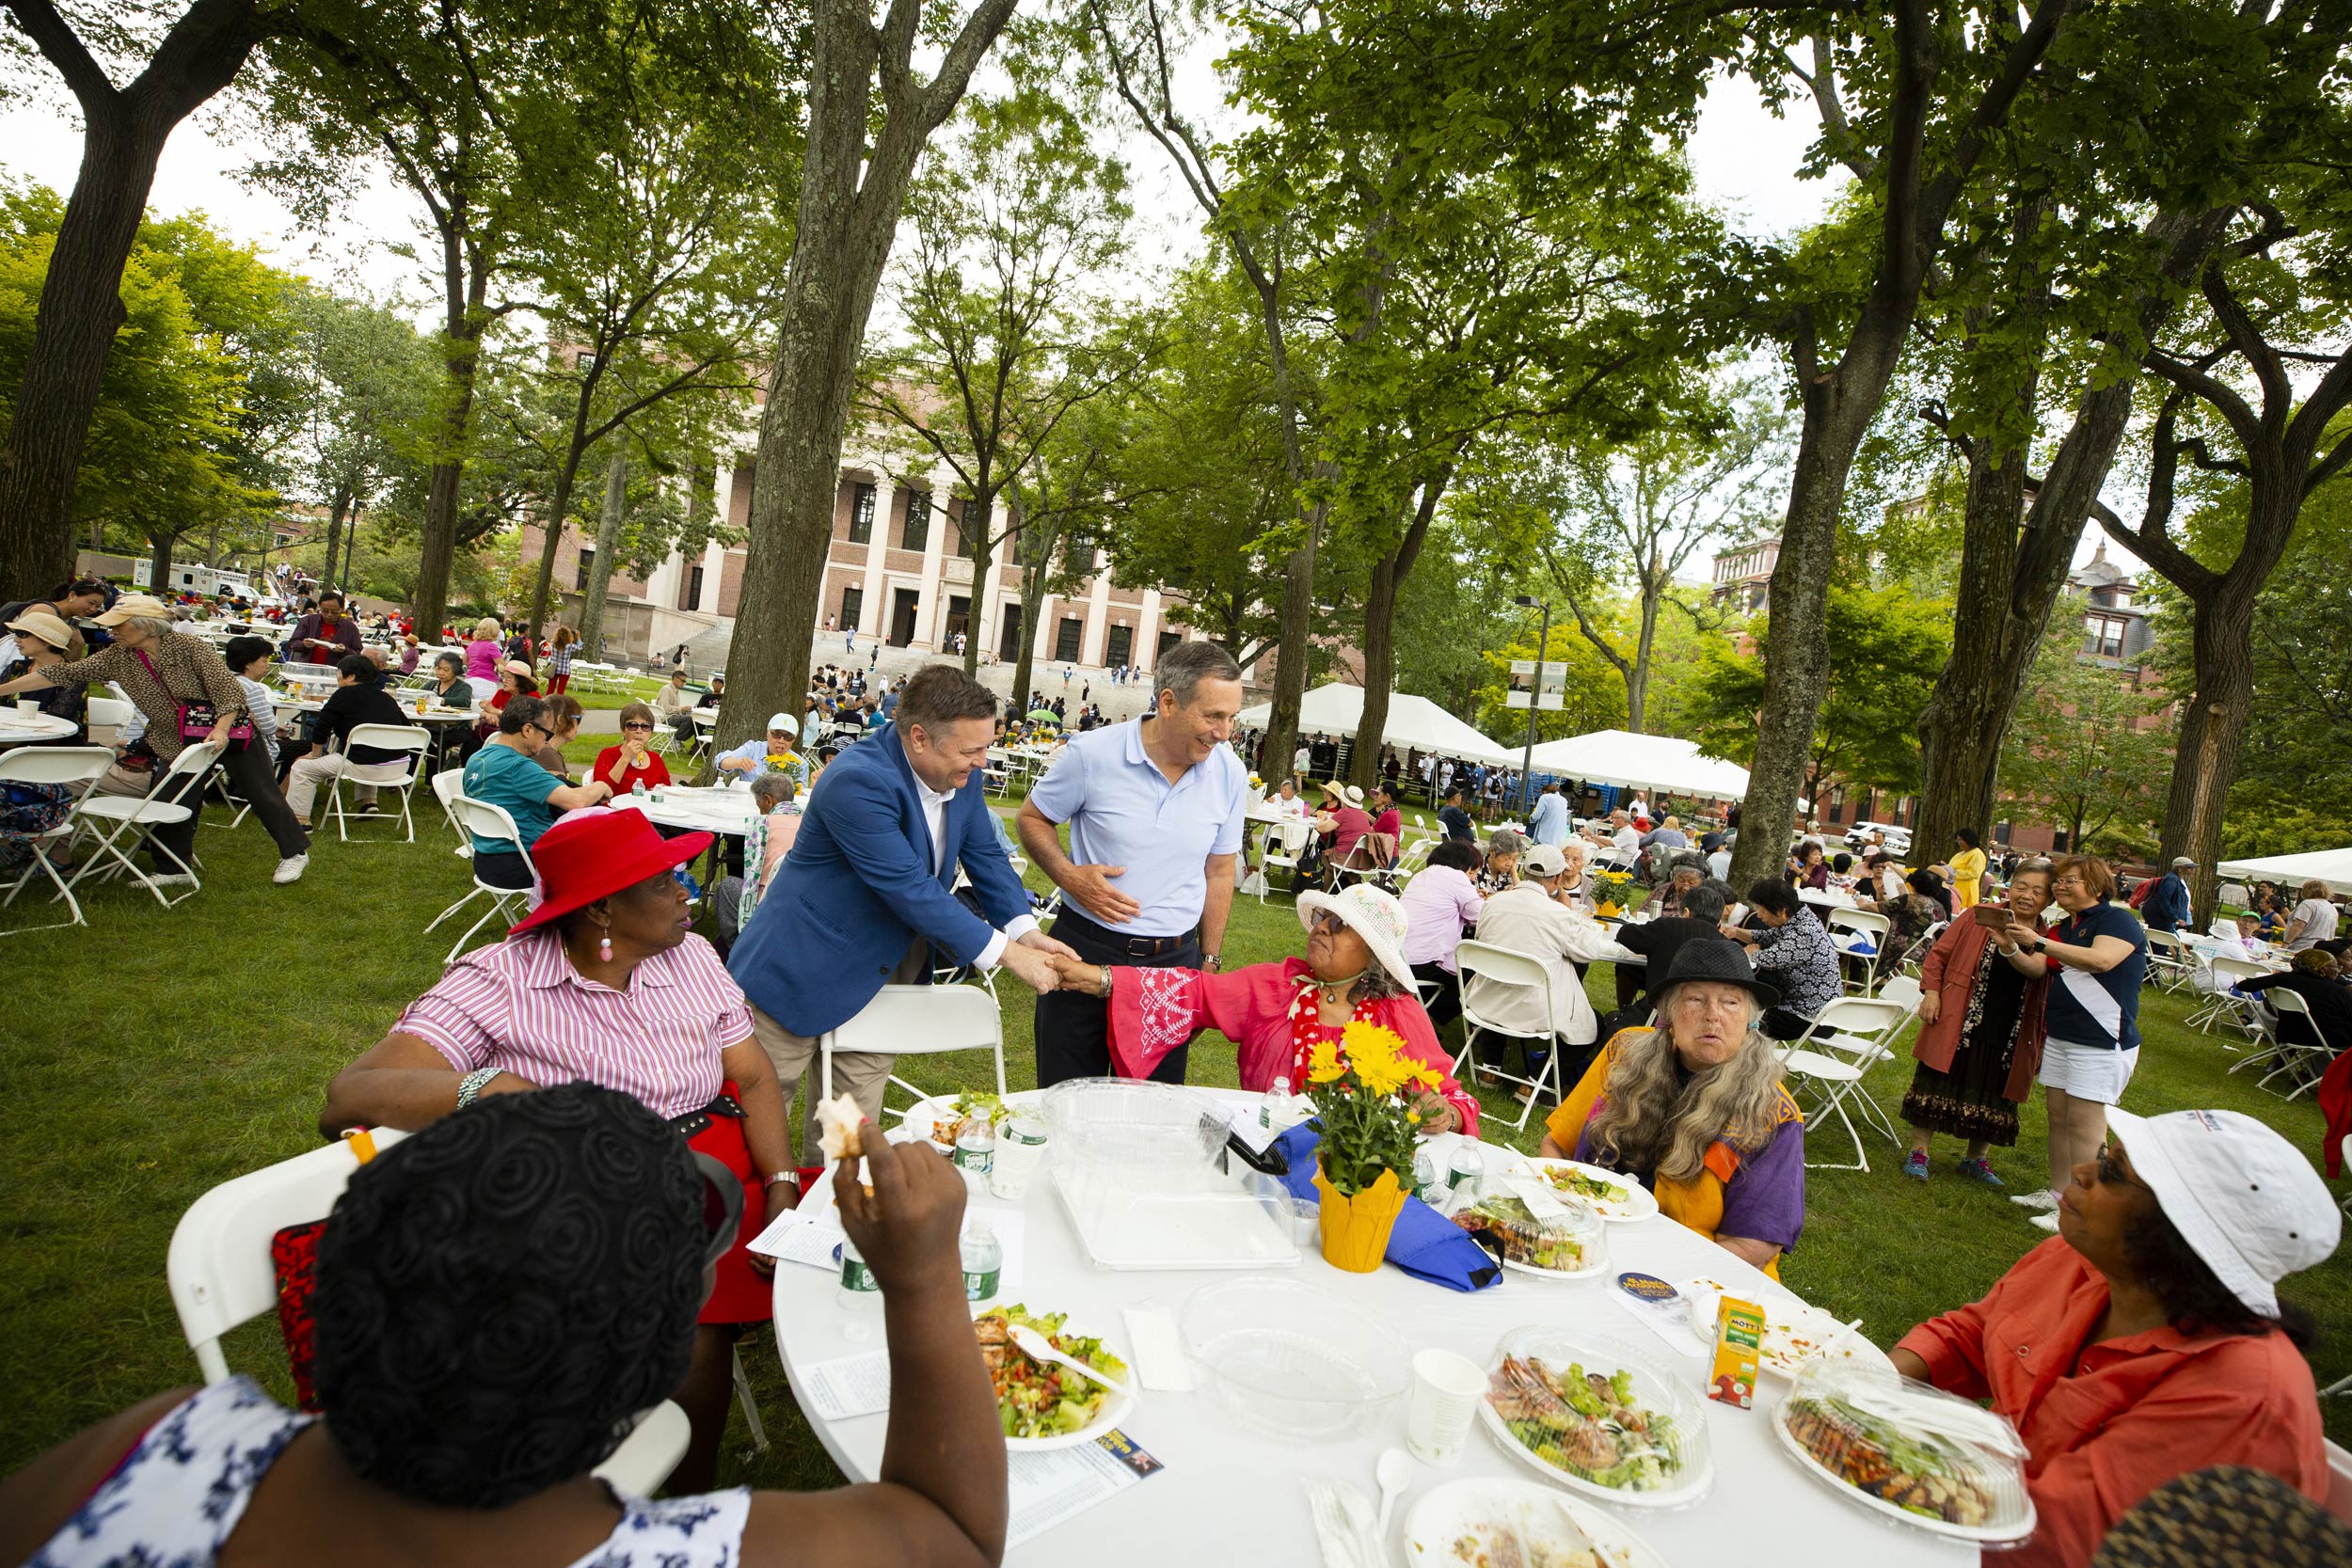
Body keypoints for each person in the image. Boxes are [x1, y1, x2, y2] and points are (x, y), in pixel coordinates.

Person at [0, 1082, 1011, 1566]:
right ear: (654, 1367)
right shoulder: (693, 1554)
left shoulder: (155, 1443)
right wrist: (922, 1276)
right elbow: (953, 1534)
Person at [318, 810, 801, 1492]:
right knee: (686, 1321)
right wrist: (494, 1089)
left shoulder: (691, 956)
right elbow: (350, 1094)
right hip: (590, 1187)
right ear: (603, 907)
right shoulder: (501, 979)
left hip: (715, 1170)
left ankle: (690, 1487)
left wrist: (781, 1182)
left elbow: (751, 1076)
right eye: (665, 882)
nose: (687, 890)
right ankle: (668, 1504)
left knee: (812, 1262)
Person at [1891, 1108, 2336, 1568]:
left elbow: (2057, 1542)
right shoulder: (2083, 1260)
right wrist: (1868, 1384)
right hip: (1969, 1514)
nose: (2081, 1172)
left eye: (2111, 1173)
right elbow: (1973, 1336)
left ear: (2178, 1234)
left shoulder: (2239, 1394)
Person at [733, 664, 1074, 1165]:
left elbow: (984, 856)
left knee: (846, 1130)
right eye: (970, 750)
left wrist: (1025, 930)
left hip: (882, 978)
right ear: (919, 737)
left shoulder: (962, 775)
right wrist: (1005, 954)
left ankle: (831, 1212)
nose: (983, 762)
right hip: (798, 971)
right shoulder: (857, 780)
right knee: (756, 1115)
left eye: (986, 747)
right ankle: (737, 1225)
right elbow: (907, 887)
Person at [1049, 882, 1479, 1133]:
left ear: (1374, 955)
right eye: (1325, 918)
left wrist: (1450, 1115)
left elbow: (1444, 1089)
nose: (1323, 927)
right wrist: (1098, 978)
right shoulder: (1278, 986)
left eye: (1342, 926)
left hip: (1357, 1166)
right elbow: (1191, 992)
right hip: (1262, 1148)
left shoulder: (1396, 1011)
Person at [1020, 642, 1247, 1086]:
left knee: (1150, 1116)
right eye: (1214, 716)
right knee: (1067, 1102)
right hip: (1082, 948)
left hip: (1171, 966)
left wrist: (1210, 962)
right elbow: (1032, 819)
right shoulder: (1092, 754)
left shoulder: (1230, 773)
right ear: (1168, 702)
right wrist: (1068, 876)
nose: (1225, 732)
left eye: (1232, 718)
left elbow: (1219, 872)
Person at [0, 594, 312, 886]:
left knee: (260, 790)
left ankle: (294, 852)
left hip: (230, 728)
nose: (111, 632)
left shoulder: (192, 647)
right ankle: (173, 868)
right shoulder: (117, 657)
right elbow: (62, 673)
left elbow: (228, 692)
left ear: (146, 626)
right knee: (171, 796)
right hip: (173, 736)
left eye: (118, 626)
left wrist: (220, 729)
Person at [1539, 939, 1806, 1275]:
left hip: (1694, 1278)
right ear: (1669, 1013)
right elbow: (1556, 1146)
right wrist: (1563, 1218)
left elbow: (1752, 1245)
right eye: (1695, 999)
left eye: (1731, 1003)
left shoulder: (1773, 1112)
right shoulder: (1623, 1054)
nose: (1713, 1015)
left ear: (1750, 1021)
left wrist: (1649, 1269)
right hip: (1583, 1242)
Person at [2010, 855, 2151, 1232]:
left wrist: (2039, 942)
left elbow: (2102, 960)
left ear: (2097, 885)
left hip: (2102, 1039)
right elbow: (2040, 968)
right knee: (2059, 1117)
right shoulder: (2064, 927)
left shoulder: (2117, 920)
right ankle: (2059, 1194)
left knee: (2086, 1126)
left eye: (2070, 880)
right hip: (2062, 1034)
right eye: (2059, 881)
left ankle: (2083, 1209)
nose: (2060, 886)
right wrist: (2010, 946)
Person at [1900, 859, 2057, 1185]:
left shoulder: (2047, 936)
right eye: (2022, 886)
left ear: (2049, 900)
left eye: (2038, 891)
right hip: (1959, 1012)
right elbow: (1939, 955)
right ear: (2009, 886)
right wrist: (1931, 992)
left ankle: (1976, 1159)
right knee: (1938, 1077)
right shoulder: (1978, 916)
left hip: (2012, 1022)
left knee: (1996, 1085)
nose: (2027, 895)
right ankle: (1919, 1151)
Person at [1465, 842, 1640, 1098]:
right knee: (1591, 1026)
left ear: (1524, 871)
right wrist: (1568, 912)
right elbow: (1590, 951)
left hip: (1485, 1001)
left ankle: (1491, 1067)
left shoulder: (1494, 902)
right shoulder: (1558, 914)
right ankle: (1536, 1081)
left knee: (1501, 984)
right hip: (1535, 1009)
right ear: (1558, 878)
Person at [457, 695, 614, 889]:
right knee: (609, 856)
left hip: (485, 860)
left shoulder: (478, 757)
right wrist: (600, 785)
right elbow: (576, 801)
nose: (545, 742)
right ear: (528, 730)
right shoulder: (519, 767)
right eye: (547, 735)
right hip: (524, 863)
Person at [284, 655, 414, 831]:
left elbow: (321, 727)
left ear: (351, 676)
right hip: (400, 766)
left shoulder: (343, 694)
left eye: (339, 672)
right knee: (368, 749)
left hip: (365, 767)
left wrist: (314, 755)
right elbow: (407, 728)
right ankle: (369, 802)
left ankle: (300, 821)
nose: (337, 676)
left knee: (303, 768)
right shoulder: (386, 698)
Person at [1719, 879, 1841, 1038]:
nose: (1759, 916)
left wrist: (1748, 952)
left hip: (1810, 1017)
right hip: (1807, 1009)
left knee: (1738, 1019)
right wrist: (1735, 933)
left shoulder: (1804, 933)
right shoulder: (1799, 919)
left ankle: (1747, 1061)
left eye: (1761, 910)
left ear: (1781, 910)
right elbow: (1766, 937)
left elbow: (1769, 958)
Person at [1613, 880, 1730, 1022]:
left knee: (1627, 967)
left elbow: (1625, 934)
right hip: (1704, 1015)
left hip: (1660, 1008)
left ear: (1686, 913)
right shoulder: (1726, 944)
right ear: (1718, 921)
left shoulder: (1668, 926)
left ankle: (1624, 1009)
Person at [714, 771, 803, 951]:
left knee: (728, 885)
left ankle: (738, 946)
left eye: (759, 805)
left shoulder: (761, 825)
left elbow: (753, 880)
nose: (760, 810)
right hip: (806, 902)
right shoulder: (812, 823)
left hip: (771, 902)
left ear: (768, 801)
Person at [1402, 837, 1484, 1026]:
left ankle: (1417, 1013)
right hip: (1424, 962)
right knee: (1479, 976)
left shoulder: (1421, 875)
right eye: (1473, 872)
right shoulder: (1456, 877)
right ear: (1463, 866)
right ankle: (1428, 1020)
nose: (1472, 878)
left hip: (1400, 957)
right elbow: (1481, 916)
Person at [2238, 949, 2352, 1053]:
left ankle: (2278, 1064)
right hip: (2326, 1038)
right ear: (2322, 969)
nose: (2338, 971)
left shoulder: (2284, 978)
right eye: (2336, 967)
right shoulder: (2337, 991)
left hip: (2287, 1033)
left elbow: (2244, 985)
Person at [0, 575, 103, 660]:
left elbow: (69, 662)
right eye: (91, 603)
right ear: (72, 595)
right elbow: (32, 652)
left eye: (98, 606)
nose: (93, 609)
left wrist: (79, 643)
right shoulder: (45, 611)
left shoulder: (70, 621)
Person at [716, 712, 812, 792]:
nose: (781, 741)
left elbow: (800, 795)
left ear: (794, 740)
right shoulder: (753, 748)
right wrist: (738, 763)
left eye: (788, 737)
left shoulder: (800, 764)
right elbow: (720, 761)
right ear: (768, 733)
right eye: (777, 734)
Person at [596, 702, 674, 794]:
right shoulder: (608, 755)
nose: (639, 731)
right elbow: (600, 792)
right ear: (623, 730)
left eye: (645, 726)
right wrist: (625, 758)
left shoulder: (656, 759)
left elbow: (668, 791)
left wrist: (663, 790)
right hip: (615, 807)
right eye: (632, 725)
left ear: (651, 731)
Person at [287, 589, 362, 669]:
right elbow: (293, 643)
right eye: (325, 611)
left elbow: (358, 654)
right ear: (319, 607)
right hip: (306, 669)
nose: (329, 615)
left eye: (334, 612)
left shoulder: (350, 628)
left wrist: (345, 650)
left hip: (335, 672)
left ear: (341, 609)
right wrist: (304, 644)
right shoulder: (309, 621)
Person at [532, 692, 584, 779]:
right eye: (578, 719)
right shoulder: (546, 752)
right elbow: (563, 791)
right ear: (561, 720)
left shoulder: (546, 749)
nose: (578, 726)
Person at [2282, 879, 2339, 952]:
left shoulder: (2308, 904)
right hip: (2321, 948)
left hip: (2302, 947)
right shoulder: (2331, 907)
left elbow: (2298, 926)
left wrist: (2286, 943)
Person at [2142, 854, 2194, 934]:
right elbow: (2163, 900)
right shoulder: (2171, 880)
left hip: (2167, 918)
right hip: (2161, 918)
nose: (2193, 870)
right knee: (2160, 943)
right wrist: (2175, 918)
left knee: (2166, 942)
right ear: (2179, 869)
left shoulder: (2178, 879)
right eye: (2189, 867)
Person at [1945, 826, 1990, 911]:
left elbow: (1974, 873)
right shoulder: (1960, 854)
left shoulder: (1977, 854)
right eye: (1958, 840)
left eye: (1961, 840)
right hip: (1954, 890)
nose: (1959, 842)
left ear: (1969, 839)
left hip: (1966, 891)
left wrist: (1953, 872)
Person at [654, 666, 698, 747]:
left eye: (685, 681)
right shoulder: (666, 689)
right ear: (675, 679)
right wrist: (681, 709)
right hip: (666, 718)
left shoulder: (675, 690)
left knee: (696, 720)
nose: (684, 683)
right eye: (683, 680)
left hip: (673, 716)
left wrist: (683, 710)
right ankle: (677, 738)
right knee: (690, 719)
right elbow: (666, 709)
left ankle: (689, 742)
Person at [1474, 827, 1524, 895]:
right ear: (1492, 852)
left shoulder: (1509, 871)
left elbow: (1522, 895)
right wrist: (1502, 894)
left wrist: (1514, 872)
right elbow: (1474, 901)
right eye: (1506, 858)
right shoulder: (1476, 869)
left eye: (1514, 859)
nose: (1509, 864)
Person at [1525, 781, 1569, 847]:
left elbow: (1537, 815)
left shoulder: (1545, 797)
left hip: (1546, 834)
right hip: (1560, 836)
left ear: (1545, 791)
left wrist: (1531, 817)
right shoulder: (1564, 800)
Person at [463, 617, 503, 685]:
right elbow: (501, 666)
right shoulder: (491, 647)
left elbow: (464, 660)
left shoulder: (472, 644)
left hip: (469, 679)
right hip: (486, 681)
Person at [544, 624, 576, 693]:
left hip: (554, 668)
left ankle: (547, 701)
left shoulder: (553, 643)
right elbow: (580, 647)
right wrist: (578, 637)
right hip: (565, 669)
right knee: (561, 689)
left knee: (551, 687)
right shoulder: (569, 646)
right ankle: (559, 702)